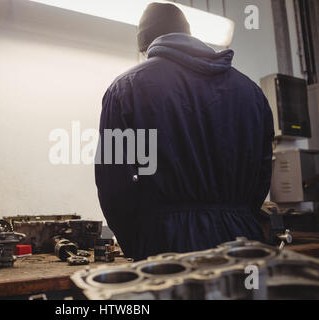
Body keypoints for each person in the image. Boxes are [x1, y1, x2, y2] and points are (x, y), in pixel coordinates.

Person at [95, 2, 274, 261]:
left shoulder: (125, 90)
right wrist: (236, 216)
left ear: (145, 47)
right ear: (188, 35)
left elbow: (113, 186)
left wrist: (140, 243)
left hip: (167, 247)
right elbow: (262, 176)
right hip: (244, 244)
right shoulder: (252, 92)